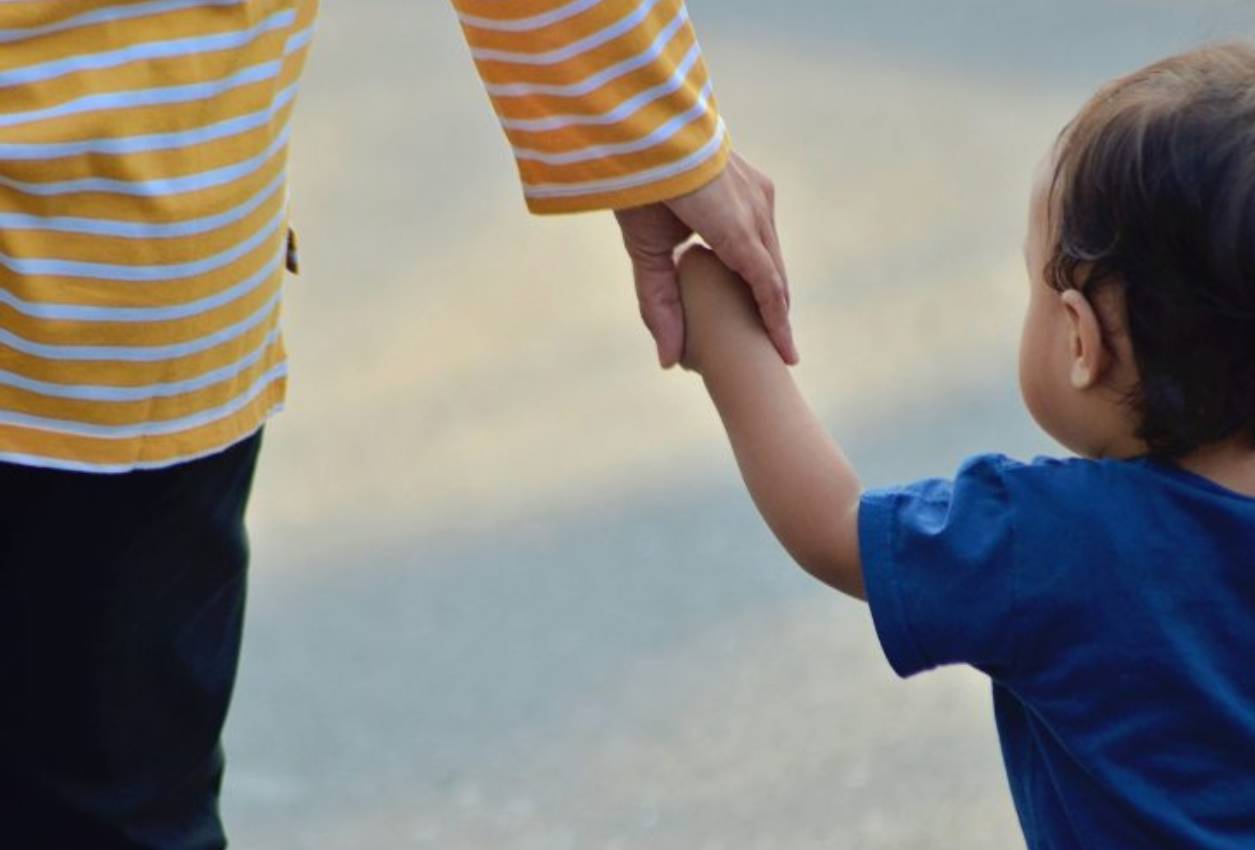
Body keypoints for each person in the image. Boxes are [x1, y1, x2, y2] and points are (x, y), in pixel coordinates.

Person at [0, 2, 791, 848]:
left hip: (97, 257)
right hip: (106, 239)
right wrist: (651, 127)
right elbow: (838, 530)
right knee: (109, 802)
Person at [676, 42, 1255, 849]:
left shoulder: (1054, 538)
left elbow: (833, 526)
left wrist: (723, 327)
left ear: (1079, 340)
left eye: (1031, 280)